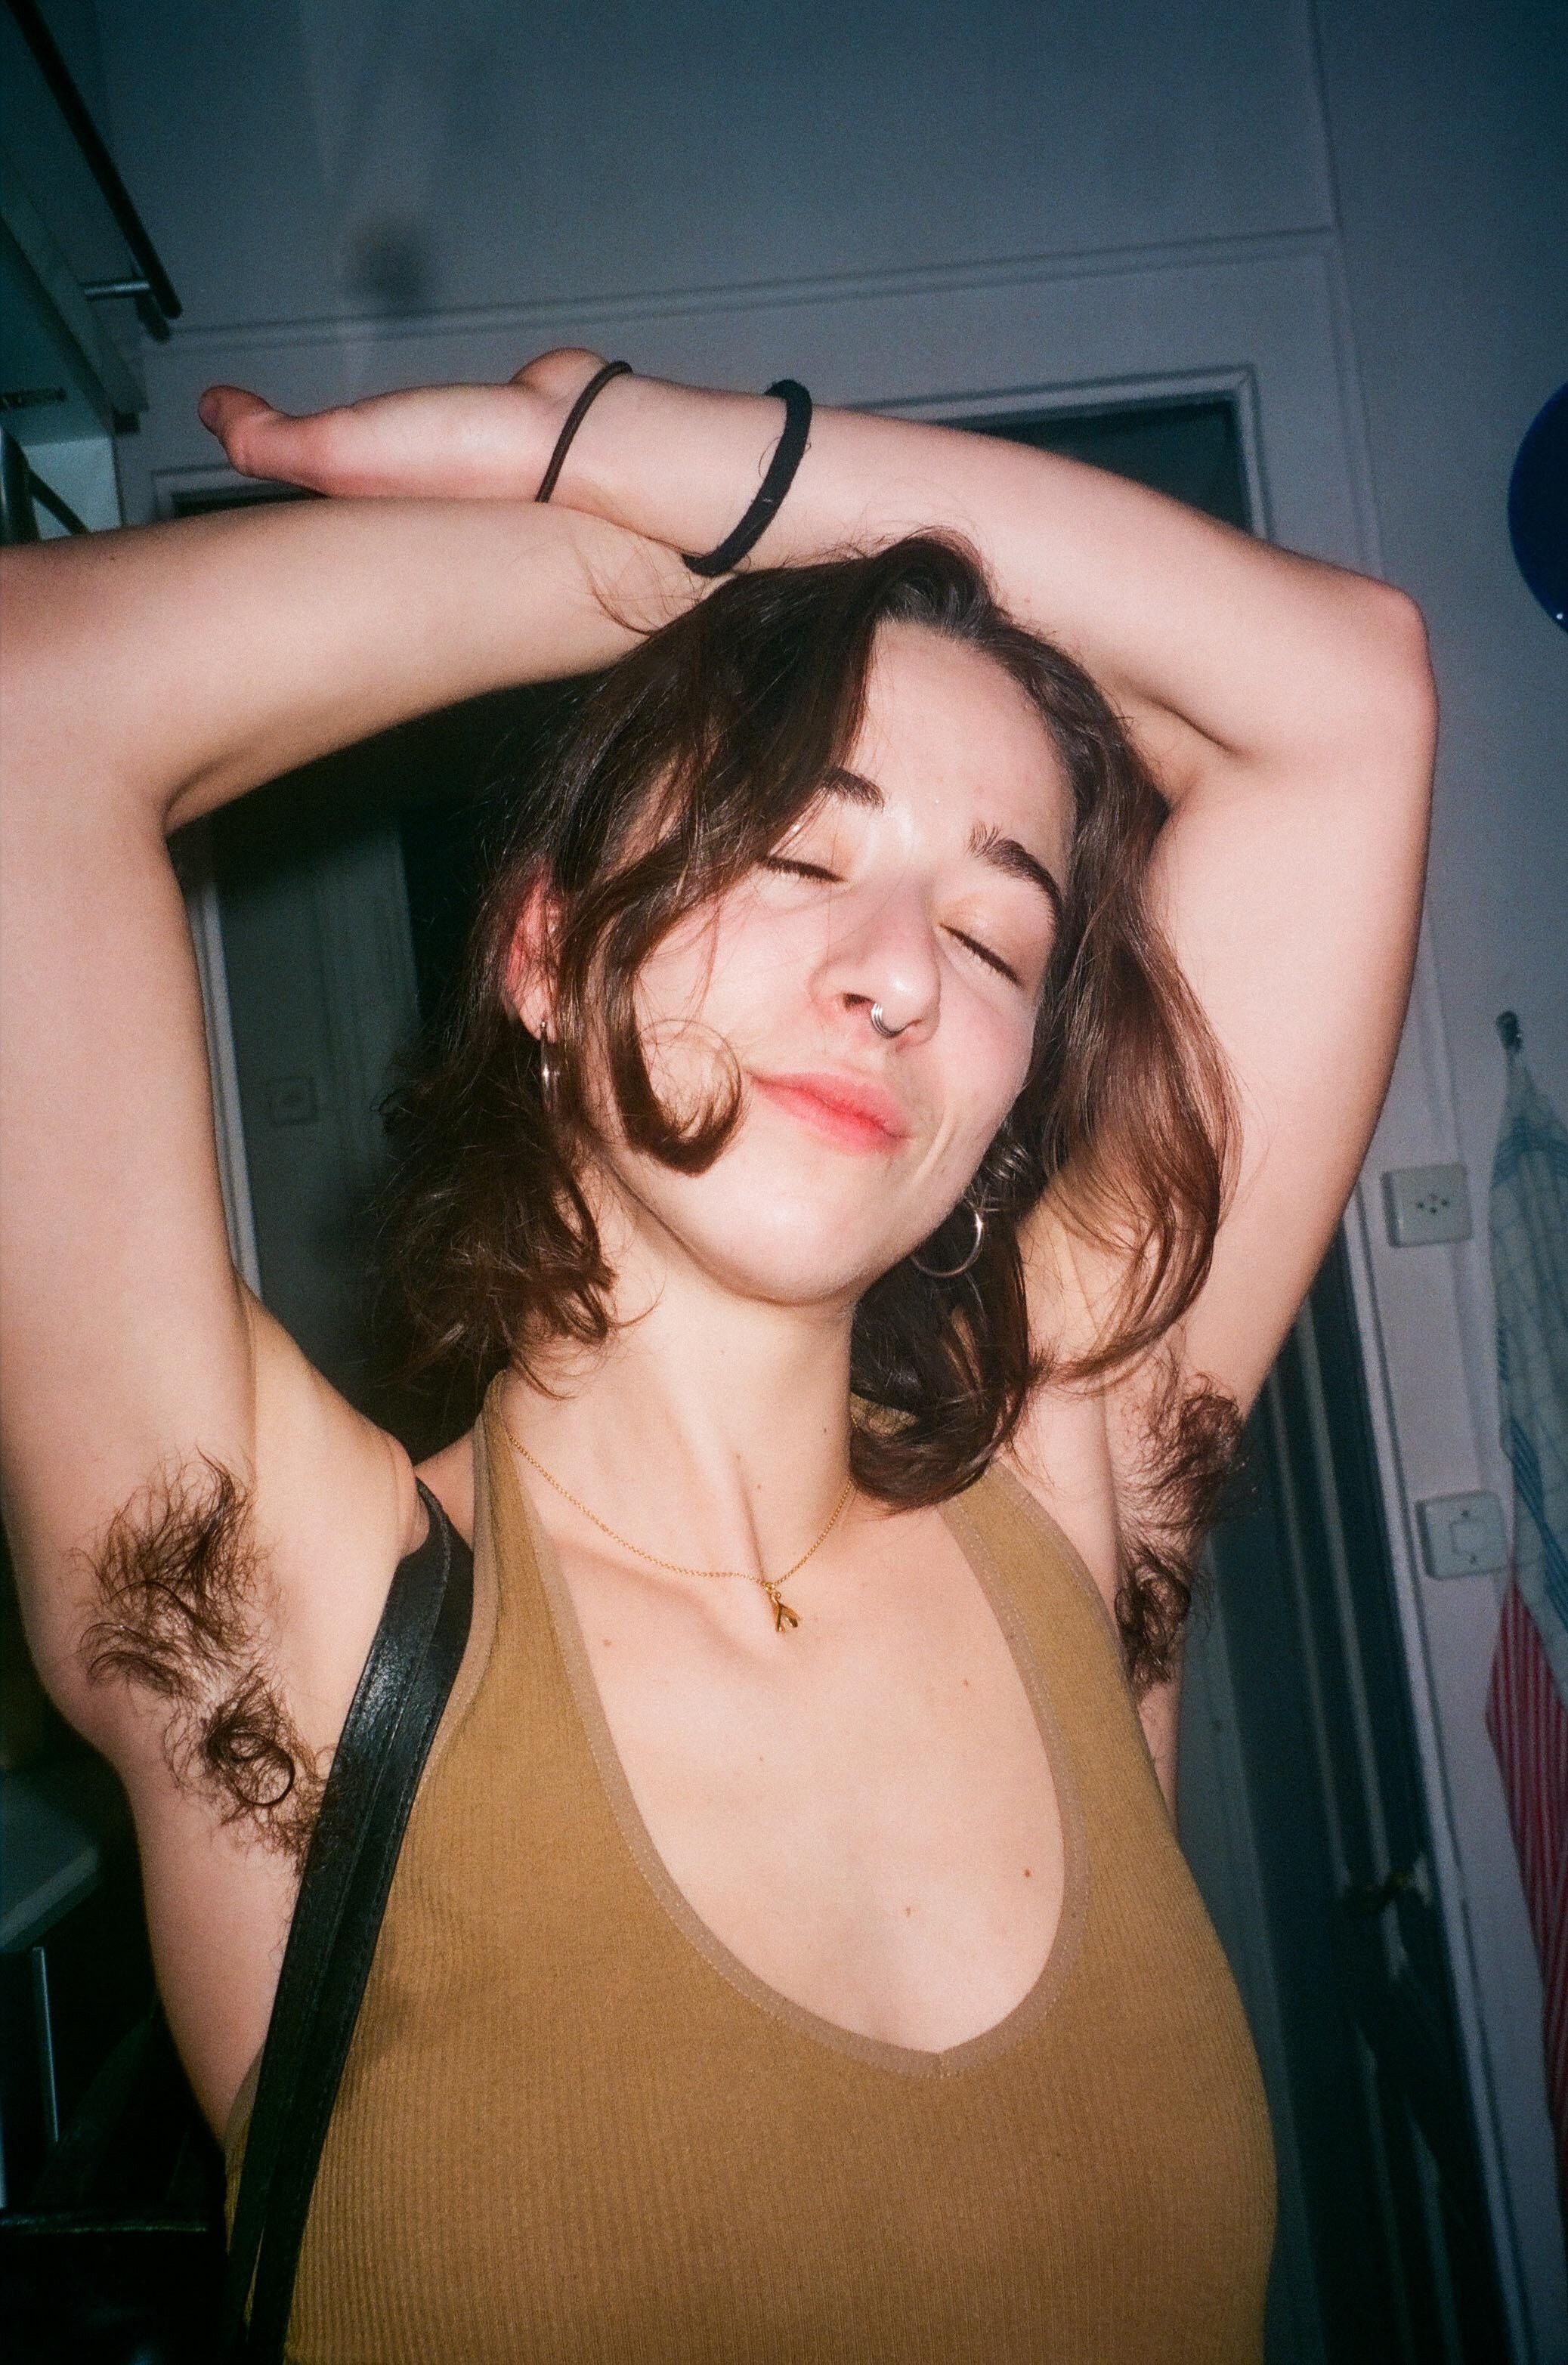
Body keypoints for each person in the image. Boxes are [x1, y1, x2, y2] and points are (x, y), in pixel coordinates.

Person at [0, 349, 1436, 2359]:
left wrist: (655, 451)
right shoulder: (290, 1621)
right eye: (792, 848)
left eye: (996, 936)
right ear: (541, 947)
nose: (899, 974)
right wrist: (708, 566)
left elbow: (1354, 696)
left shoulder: (1075, 1501)